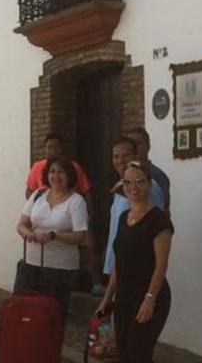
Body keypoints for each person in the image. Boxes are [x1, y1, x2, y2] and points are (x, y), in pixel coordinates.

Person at [96, 161, 174, 363]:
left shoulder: (158, 220)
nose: (134, 187)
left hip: (150, 298)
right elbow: (119, 262)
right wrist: (107, 298)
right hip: (125, 298)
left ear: (149, 185)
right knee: (126, 357)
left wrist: (149, 300)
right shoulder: (123, 218)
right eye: (128, 183)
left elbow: (161, 264)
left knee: (141, 355)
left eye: (140, 182)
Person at [15, 156, 89, 322]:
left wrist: (53, 235)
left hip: (59, 270)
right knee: (25, 315)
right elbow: (21, 224)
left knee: (51, 317)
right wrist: (26, 232)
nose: (56, 176)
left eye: (61, 172)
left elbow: (81, 236)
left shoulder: (76, 202)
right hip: (30, 265)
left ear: (69, 175)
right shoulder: (38, 195)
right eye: (52, 172)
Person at [103, 137, 165, 283]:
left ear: (135, 157)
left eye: (125, 156)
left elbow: (155, 225)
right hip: (118, 268)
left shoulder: (150, 187)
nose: (120, 161)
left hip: (140, 268)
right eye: (116, 156)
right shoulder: (121, 188)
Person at [25, 133, 91, 196]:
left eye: (56, 147)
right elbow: (29, 191)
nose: (53, 150)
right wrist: (37, 203)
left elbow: (86, 191)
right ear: (45, 149)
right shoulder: (37, 167)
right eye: (49, 147)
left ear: (62, 149)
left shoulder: (74, 167)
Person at [125, 126, 170, 211]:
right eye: (131, 144)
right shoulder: (125, 175)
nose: (134, 147)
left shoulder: (158, 176)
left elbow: (162, 210)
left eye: (138, 143)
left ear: (148, 147)